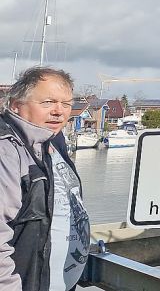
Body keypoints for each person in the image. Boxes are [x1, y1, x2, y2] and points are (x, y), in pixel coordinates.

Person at [1, 67, 89, 291]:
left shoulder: (53, 141)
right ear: (16, 105)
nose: (59, 111)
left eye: (67, 104)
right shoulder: (7, 150)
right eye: (48, 102)